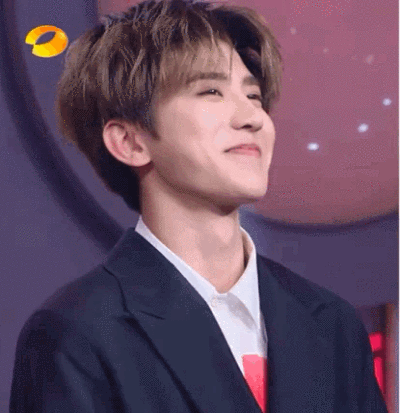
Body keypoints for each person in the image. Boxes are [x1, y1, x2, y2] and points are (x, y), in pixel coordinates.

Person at [10, 0, 388, 412]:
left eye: (254, 95)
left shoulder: (331, 324)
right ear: (130, 142)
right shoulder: (78, 334)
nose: (252, 117)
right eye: (211, 91)